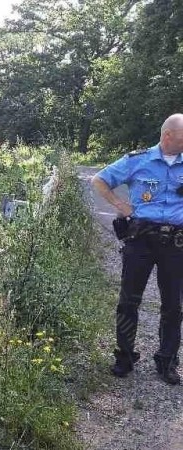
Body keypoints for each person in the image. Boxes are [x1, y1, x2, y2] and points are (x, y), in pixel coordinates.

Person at [91, 113, 183, 385]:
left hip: (176, 244)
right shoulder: (138, 160)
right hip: (140, 240)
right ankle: (125, 356)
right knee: (129, 301)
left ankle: (167, 361)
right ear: (167, 136)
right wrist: (122, 206)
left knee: (173, 306)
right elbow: (99, 180)